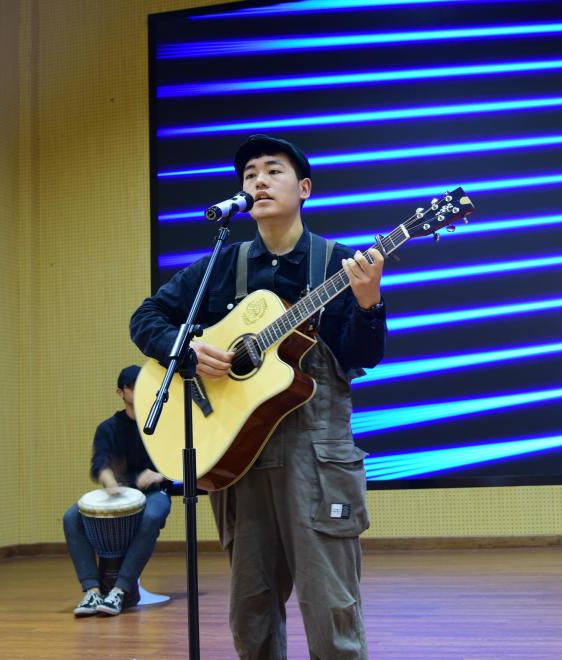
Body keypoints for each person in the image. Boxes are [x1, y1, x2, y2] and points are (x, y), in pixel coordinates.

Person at [130, 135, 386, 658]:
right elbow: (146, 317)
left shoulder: (337, 263)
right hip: (236, 455)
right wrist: (187, 349)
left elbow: (363, 355)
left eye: (273, 171)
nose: (259, 181)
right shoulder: (222, 264)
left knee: (330, 608)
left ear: (304, 188)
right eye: (249, 175)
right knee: (251, 615)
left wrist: (368, 303)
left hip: (316, 456)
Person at [63, 365, 171, 617]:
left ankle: (119, 591)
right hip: (120, 492)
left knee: (152, 515)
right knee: (71, 517)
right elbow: (99, 463)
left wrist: (159, 475)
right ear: (120, 392)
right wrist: (109, 479)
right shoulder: (108, 428)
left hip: (154, 493)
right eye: (133, 386)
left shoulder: (161, 423)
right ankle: (92, 591)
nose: (139, 390)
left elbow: (180, 463)